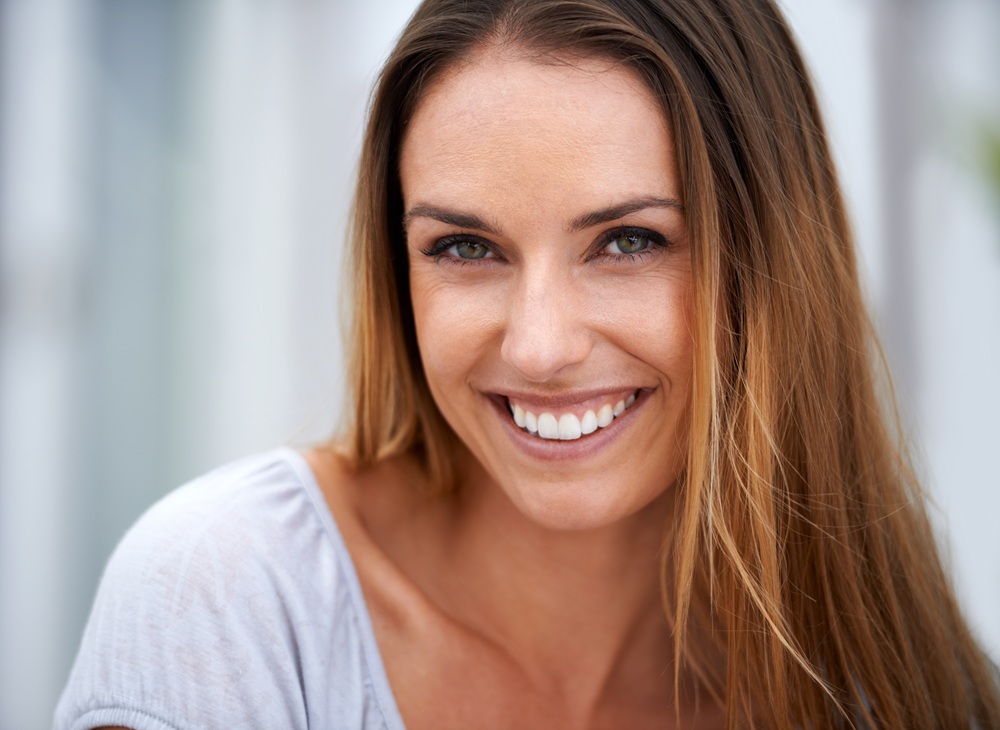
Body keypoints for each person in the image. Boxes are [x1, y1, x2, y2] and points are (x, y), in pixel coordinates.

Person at [55, 0, 1000, 728]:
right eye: (467, 248)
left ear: (769, 265)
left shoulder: (883, 686)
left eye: (629, 240)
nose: (539, 347)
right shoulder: (230, 599)